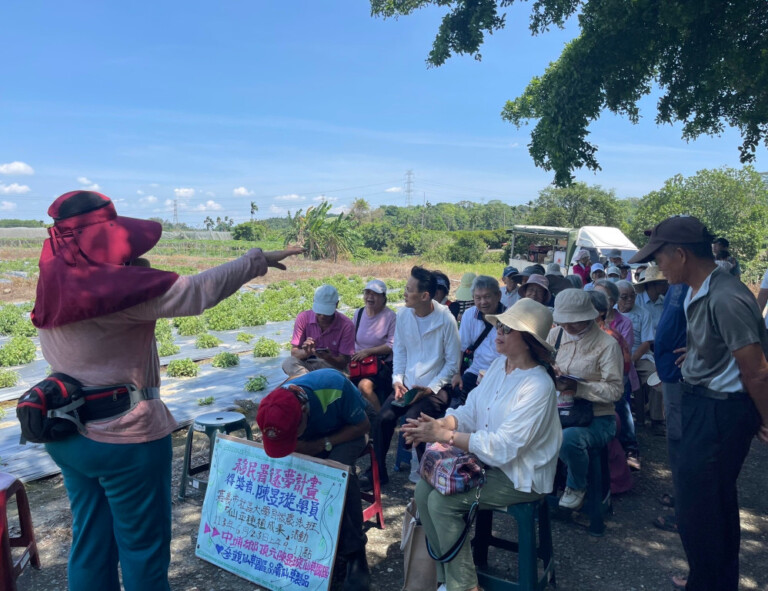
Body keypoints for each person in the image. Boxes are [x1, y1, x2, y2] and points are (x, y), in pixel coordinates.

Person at [32, 190, 302, 591]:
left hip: (65, 431)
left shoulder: (53, 282)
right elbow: (197, 292)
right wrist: (254, 261)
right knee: (142, 551)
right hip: (125, 439)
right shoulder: (115, 294)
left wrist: (131, 267)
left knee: (90, 542)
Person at [630, 215, 768, 591]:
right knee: (709, 504)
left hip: (719, 411)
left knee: (699, 510)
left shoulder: (726, 295)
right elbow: (729, 342)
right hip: (707, 405)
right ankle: (712, 579)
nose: (657, 266)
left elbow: (757, 370)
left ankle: (708, 583)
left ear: (680, 254)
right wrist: (698, 351)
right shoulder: (701, 290)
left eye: (659, 257)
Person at [402, 299, 562, 591]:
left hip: (521, 476)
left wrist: (444, 436)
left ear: (528, 341)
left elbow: (503, 447)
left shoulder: (538, 386)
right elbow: (471, 411)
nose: (498, 332)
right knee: (424, 490)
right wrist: (440, 425)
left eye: (508, 328)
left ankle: (463, 585)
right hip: (489, 463)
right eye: (499, 325)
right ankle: (446, 578)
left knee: (442, 502)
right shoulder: (501, 366)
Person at [256, 369, 372, 591]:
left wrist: (320, 445)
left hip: (350, 429)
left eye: (294, 434)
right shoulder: (273, 406)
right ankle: (312, 545)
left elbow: (363, 426)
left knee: (338, 476)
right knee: (294, 475)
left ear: (303, 411)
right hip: (315, 435)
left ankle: (355, 554)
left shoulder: (332, 386)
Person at [371, 266, 460, 487]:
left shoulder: (446, 320)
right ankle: (377, 472)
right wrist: (398, 381)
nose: (404, 293)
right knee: (382, 419)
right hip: (408, 387)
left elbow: (452, 363)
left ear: (424, 295)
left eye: (409, 289)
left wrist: (431, 388)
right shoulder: (404, 316)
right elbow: (399, 352)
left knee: (414, 420)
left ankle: (426, 479)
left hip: (436, 389)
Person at [546, 289, 623, 510]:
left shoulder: (607, 345)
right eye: (564, 321)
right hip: (561, 411)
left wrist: (579, 387)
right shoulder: (556, 335)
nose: (568, 326)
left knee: (569, 439)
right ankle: (537, 487)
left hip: (597, 419)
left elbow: (615, 390)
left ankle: (576, 486)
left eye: (575, 322)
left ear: (589, 317)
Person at [650, 281, 688, 535]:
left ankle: (686, 513)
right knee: (676, 438)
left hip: (682, 373)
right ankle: (682, 496)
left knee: (684, 440)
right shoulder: (679, 285)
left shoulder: (705, 285)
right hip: (671, 370)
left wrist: (699, 350)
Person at [593, 279, 641, 469]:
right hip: (595, 371)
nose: (595, 301)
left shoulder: (623, 323)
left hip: (620, 369)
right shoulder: (586, 323)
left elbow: (623, 356)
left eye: (601, 297)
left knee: (620, 399)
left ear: (611, 302)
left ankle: (631, 446)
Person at [451, 275, 505, 404]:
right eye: (478, 298)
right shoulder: (470, 315)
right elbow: (461, 347)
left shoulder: (508, 317)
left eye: (487, 297)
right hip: (476, 371)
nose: (483, 302)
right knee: (460, 403)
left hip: (501, 374)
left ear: (498, 296)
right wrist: (457, 374)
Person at [282, 284, 355, 377]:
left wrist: (328, 357)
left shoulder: (346, 325)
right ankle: (309, 380)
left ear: (336, 305)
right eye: (319, 312)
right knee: (288, 362)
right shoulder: (303, 318)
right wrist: (306, 352)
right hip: (309, 364)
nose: (322, 316)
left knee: (339, 375)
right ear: (313, 302)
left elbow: (344, 362)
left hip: (333, 368)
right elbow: (294, 353)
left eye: (327, 312)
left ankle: (308, 381)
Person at [351, 279, 396, 411]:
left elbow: (391, 345)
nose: (370, 297)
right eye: (367, 293)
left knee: (364, 386)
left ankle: (378, 418)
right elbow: (351, 339)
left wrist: (368, 352)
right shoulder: (359, 313)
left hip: (380, 365)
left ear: (383, 298)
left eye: (375, 294)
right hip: (358, 363)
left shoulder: (391, 316)